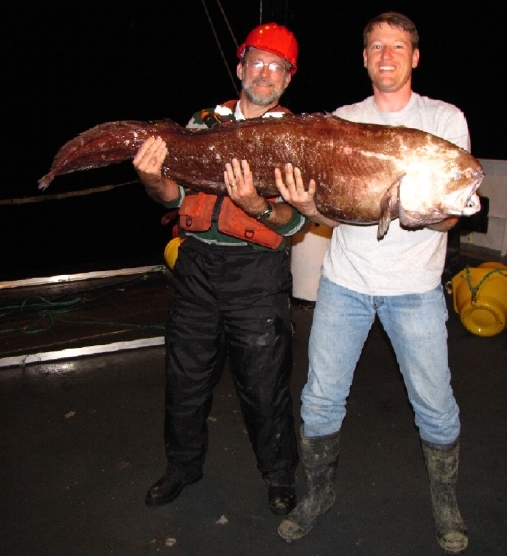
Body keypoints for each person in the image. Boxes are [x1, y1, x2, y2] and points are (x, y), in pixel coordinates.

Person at [274, 12, 470, 554]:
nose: (387, 55)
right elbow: (335, 214)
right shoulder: (341, 120)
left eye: (398, 46)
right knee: (319, 399)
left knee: (433, 401)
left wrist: (422, 210)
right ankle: (318, 493)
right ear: (364, 58)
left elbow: (454, 213)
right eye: (376, 46)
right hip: (346, 283)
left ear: (415, 56)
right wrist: (311, 207)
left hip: (416, 288)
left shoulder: (445, 120)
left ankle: (446, 500)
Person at [132, 23, 306, 516]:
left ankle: (278, 475)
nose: (266, 74)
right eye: (258, 62)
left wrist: (253, 204)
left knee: (264, 382)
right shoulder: (202, 121)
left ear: (288, 79)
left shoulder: (296, 136)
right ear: (241, 68)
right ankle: (182, 466)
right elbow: (175, 194)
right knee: (185, 376)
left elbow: (293, 224)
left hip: (257, 274)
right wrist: (152, 179)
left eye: (278, 66)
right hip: (197, 267)